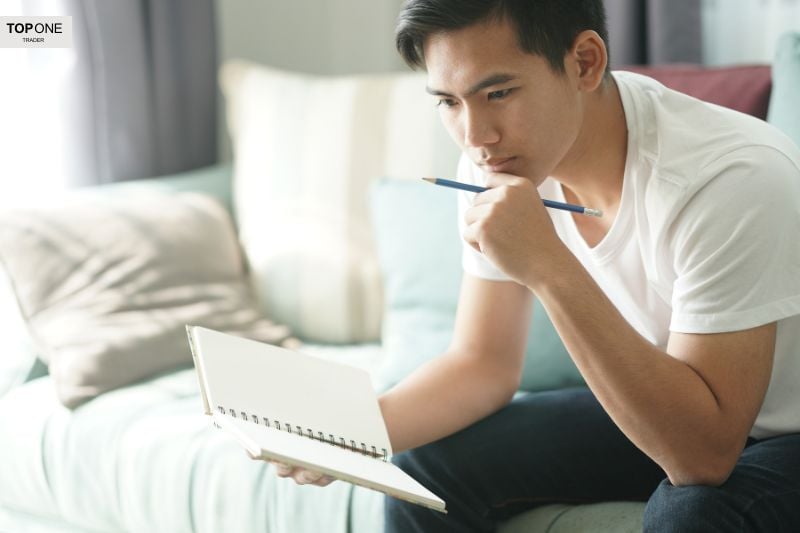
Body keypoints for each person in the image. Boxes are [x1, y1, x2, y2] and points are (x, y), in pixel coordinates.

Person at [276, 0, 800, 531]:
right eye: (449, 102)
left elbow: (703, 457)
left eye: (498, 93)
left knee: (692, 512)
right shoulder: (496, 161)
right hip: (682, 405)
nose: (476, 135)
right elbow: (483, 364)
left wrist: (547, 264)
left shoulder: (729, 179)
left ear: (585, 63)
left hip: (777, 432)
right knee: (424, 472)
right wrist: (348, 429)